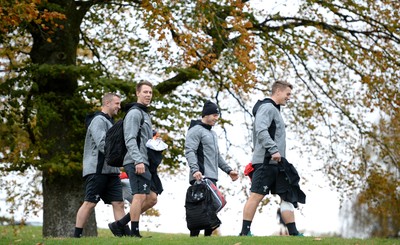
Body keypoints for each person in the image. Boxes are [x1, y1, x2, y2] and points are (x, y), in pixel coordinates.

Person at [239, 80, 303, 236]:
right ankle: (244, 232)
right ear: (278, 92)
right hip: (265, 162)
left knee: (287, 194)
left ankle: (294, 233)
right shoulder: (267, 108)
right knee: (256, 195)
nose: (289, 97)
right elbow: (261, 130)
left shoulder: (275, 110)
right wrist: (273, 150)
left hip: (278, 163)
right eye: (287, 94)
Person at [107, 80, 162, 238]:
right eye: (145, 92)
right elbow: (129, 139)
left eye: (150, 92)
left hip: (145, 161)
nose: (148, 95)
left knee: (151, 198)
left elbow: (144, 139)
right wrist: (138, 160)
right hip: (135, 161)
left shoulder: (145, 114)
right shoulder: (134, 113)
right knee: (139, 196)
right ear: (138, 93)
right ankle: (134, 234)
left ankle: (119, 224)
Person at [74, 93, 127, 238]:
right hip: (97, 170)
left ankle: (123, 236)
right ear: (107, 103)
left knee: (119, 203)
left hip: (112, 171)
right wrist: (120, 157)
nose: (119, 107)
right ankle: (76, 236)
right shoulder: (98, 120)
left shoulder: (110, 122)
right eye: (117, 103)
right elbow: (103, 144)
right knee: (90, 203)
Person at [185, 100, 239, 237]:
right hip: (200, 176)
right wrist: (195, 170)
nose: (216, 118)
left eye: (217, 115)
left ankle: (207, 239)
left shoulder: (213, 134)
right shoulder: (195, 130)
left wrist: (228, 170)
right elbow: (189, 150)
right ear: (206, 114)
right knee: (199, 209)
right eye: (214, 115)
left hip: (212, 177)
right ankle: (194, 239)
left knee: (213, 208)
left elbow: (216, 156)